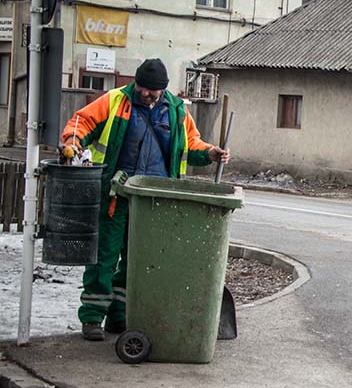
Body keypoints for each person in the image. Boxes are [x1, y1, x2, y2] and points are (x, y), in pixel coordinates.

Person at [60, 58, 230, 341]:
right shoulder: (117, 100)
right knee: (104, 258)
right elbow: (82, 121)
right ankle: (92, 317)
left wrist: (211, 152)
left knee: (137, 262)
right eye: (142, 88)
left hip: (155, 201)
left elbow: (192, 143)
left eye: (153, 91)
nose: (146, 94)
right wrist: (72, 141)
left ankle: (119, 316)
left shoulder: (176, 111)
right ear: (136, 83)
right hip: (117, 196)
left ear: (163, 90)